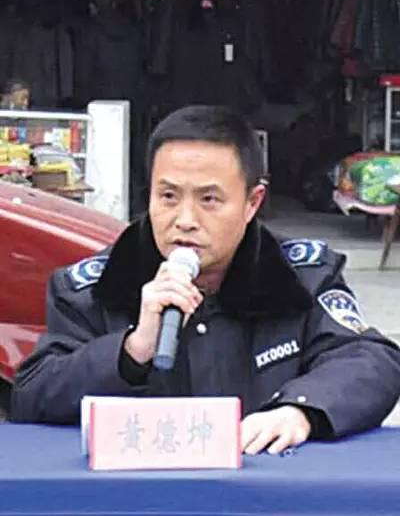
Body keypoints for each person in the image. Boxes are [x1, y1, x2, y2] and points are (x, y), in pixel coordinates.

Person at [11, 105, 400, 455]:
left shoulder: (302, 276)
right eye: (168, 196)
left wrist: (301, 409)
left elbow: (371, 361)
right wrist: (131, 350)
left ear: (252, 203)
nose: (185, 220)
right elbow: (31, 394)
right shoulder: (91, 288)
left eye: (209, 200)